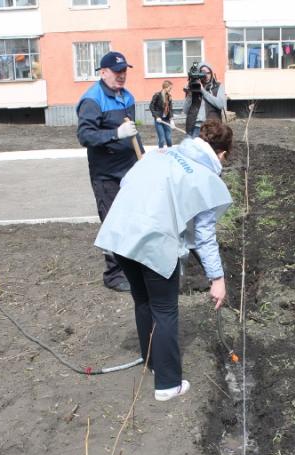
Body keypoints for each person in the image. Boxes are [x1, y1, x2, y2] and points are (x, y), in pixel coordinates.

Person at [94, 120, 233, 401]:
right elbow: (204, 236)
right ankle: (168, 384)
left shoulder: (163, 154)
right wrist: (217, 279)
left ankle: (152, 360)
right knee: (165, 309)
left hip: (121, 234)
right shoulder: (205, 178)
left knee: (143, 300)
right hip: (153, 239)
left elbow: (127, 182)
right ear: (222, 154)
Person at [76, 51, 143, 292]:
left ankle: (133, 267)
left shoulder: (127, 97)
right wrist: (116, 134)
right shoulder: (92, 100)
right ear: (103, 72)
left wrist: (143, 160)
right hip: (106, 174)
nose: (122, 75)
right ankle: (114, 275)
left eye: (124, 71)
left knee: (132, 219)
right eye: (117, 72)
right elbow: (85, 136)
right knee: (113, 222)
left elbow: (133, 133)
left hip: (129, 170)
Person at [183, 63, 226, 138]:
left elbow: (220, 104)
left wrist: (203, 91)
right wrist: (190, 94)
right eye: (203, 72)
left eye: (208, 73)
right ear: (199, 74)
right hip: (194, 127)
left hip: (211, 127)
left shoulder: (218, 87)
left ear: (212, 73)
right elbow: (185, 110)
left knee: (210, 149)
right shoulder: (193, 87)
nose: (206, 75)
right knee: (192, 149)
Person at [150, 80, 174, 148]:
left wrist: (171, 120)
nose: (170, 90)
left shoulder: (169, 96)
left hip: (166, 119)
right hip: (159, 120)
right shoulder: (157, 95)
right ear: (165, 87)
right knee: (162, 139)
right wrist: (156, 116)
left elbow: (170, 108)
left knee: (169, 138)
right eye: (170, 88)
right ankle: (160, 153)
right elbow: (151, 106)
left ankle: (171, 152)